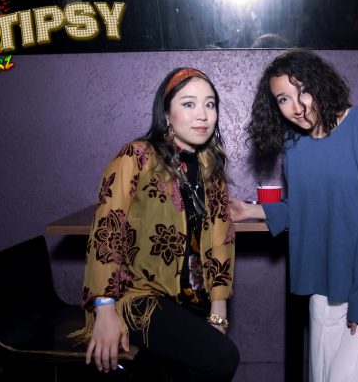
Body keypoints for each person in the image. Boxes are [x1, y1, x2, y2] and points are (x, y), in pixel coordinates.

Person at [229, 49, 358, 382]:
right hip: (327, 278)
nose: (297, 106)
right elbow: (308, 208)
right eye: (283, 99)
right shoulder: (294, 145)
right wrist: (250, 210)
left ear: (320, 84)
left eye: (303, 90)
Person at [71, 67, 239, 381]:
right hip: (138, 296)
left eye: (210, 104)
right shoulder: (135, 156)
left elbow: (221, 241)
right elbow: (108, 230)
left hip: (190, 298)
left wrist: (218, 314)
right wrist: (105, 310)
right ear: (166, 113)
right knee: (223, 358)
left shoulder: (210, 167)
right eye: (188, 104)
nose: (202, 114)